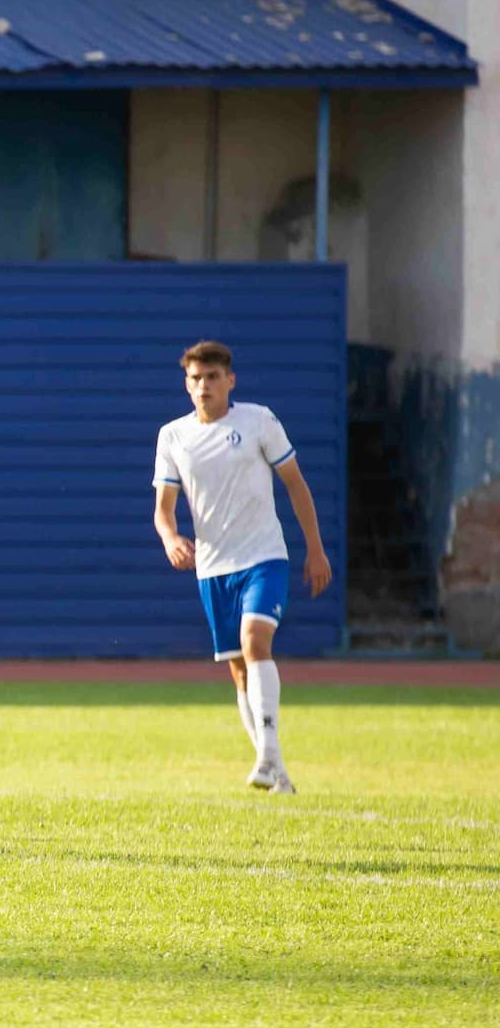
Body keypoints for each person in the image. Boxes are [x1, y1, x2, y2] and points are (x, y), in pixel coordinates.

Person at [154, 340, 331, 794]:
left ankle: (267, 755)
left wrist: (315, 548)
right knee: (238, 669)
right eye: (196, 378)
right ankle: (277, 771)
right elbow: (164, 507)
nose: (204, 386)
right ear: (186, 384)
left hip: (264, 556)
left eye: (213, 377)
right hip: (214, 568)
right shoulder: (173, 435)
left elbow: (295, 484)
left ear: (230, 380)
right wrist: (171, 537)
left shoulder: (258, 421)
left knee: (256, 642)